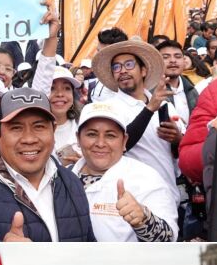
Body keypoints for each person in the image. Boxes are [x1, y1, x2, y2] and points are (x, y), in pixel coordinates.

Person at [0, 88, 95, 242]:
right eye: (16, 128)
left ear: (53, 130)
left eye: (39, 126)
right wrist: (1, 256)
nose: (29, 139)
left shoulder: (71, 182)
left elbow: (90, 254)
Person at [71, 101, 178, 241]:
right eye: (92, 134)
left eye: (110, 135)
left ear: (124, 141)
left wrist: (144, 220)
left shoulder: (146, 178)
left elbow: (169, 241)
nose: (100, 143)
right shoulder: (60, 178)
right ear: (78, 138)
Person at [91, 39, 181, 206]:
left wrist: (178, 139)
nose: (123, 71)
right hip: (132, 198)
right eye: (116, 67)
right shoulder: (109, 108)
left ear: (144, 70)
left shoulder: (165, 105)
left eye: (129, 64)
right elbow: (120, 145)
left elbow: (176, 152)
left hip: (168, 193)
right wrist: (149, 109)